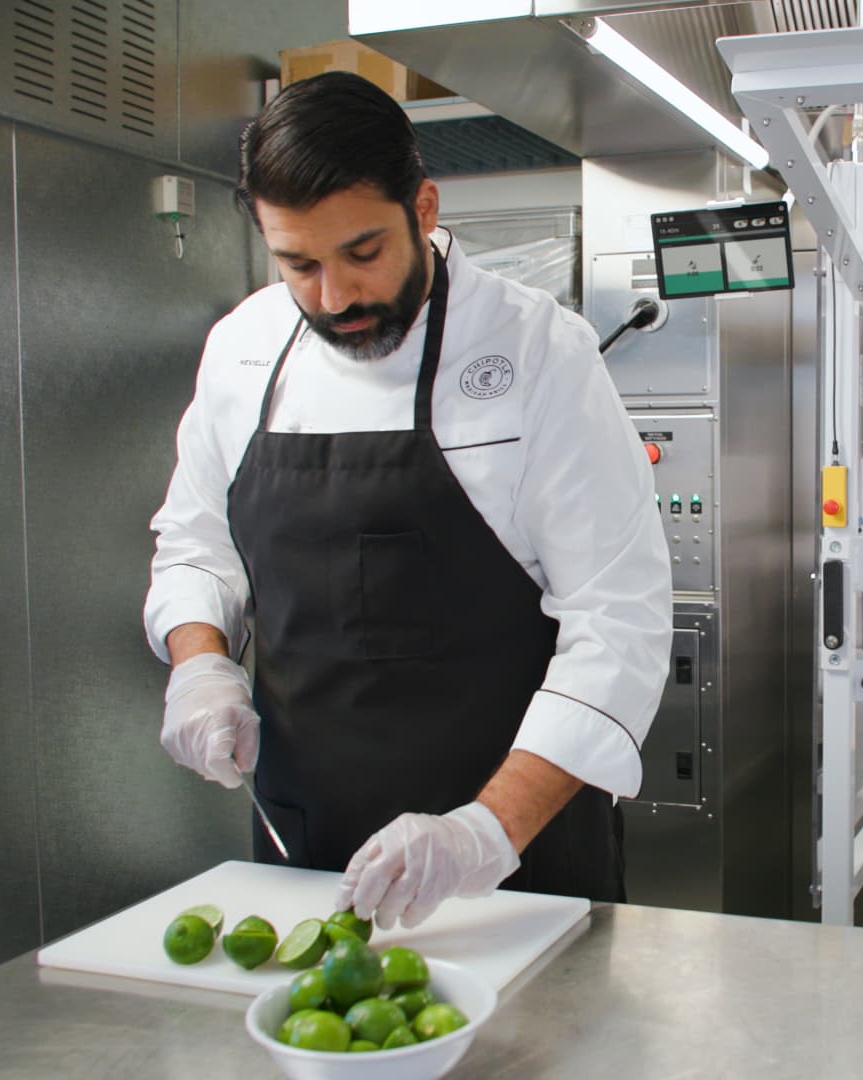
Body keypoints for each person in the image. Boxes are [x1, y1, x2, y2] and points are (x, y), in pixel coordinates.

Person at [143, 72, 672, 929]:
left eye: (363, 253)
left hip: (513, 857)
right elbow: (197, 545)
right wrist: (200, 663)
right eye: (298, 265)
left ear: (423, 208)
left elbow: (619, 620)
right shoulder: (242, 349)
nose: (334, 297)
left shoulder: (540, 352)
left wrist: (484, 833)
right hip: (305, 850)